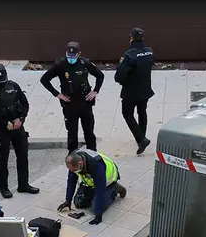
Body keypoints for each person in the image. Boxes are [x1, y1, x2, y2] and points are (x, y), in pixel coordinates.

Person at [0, 63, 40, 199]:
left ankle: (23, 184)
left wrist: (21, 119)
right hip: (1, 130)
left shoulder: (13, 86)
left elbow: (25, 104)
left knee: (23, 156)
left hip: (17, 126)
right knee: (3, 160)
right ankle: (4, 188)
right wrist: (4, 123)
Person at [40, 41, 104, 153]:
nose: (70, 58)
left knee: (89, 131)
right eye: (68, 55)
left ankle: (92, 153)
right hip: (70, 103)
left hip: (85, 102)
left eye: (73, 56)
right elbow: (44, 79)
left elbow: (100, 75)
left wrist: (95, 91)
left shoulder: (85, 63)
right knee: (72, 132)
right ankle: (72, 155)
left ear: (79, 54)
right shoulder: (60, 65)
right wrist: (57, 94)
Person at [58, 149, 127, 225]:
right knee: (78, 203)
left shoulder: (96, 165)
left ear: (80, 164)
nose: (73, 172)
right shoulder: (74, 162)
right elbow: (71, 182)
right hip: (91, 183)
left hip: (107, 182)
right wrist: (68, 200)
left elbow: (100, 190)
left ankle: (115, 189)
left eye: (74, 170)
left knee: (95, 208)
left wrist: (98, 215)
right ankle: (94, 196)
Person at [114, 27, 155, 155]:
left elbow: (119, 76)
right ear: (143, 38)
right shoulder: (149, 52)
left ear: (131, 38)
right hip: (145, 89)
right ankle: (142, 137)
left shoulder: (129, 55)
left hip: (131, 92)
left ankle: (141, 139)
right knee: (142, 112)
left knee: (127, 114)